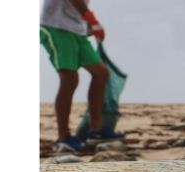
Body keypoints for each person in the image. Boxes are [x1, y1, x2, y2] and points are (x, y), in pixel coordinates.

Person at [41, 0, 124, 152]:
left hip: (76, 30)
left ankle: (96, 132)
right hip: (55, 26)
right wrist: (92, 19)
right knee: (70, 79)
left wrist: (87, 26)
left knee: (101, 73)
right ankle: (63, 138)